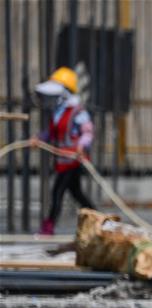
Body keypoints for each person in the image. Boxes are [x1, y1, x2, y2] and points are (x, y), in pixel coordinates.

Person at [32, 67, 96, 235]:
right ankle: (100, 220)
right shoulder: (58, 112)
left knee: (58, 192)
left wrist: (82, 146)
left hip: (73, 159)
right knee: (77, 194)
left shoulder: (77, 111)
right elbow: (51, 133)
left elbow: (87, 131)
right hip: (62, 161)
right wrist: (39, 138)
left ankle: (48, 227)